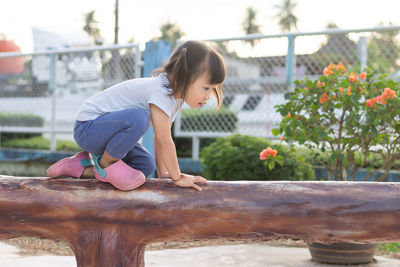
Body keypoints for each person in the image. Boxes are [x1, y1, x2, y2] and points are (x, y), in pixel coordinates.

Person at [46, 40, 226, 192]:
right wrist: (178, 178)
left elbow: (158, 137)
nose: (208, 95)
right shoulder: (161, 92)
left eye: (212, 89)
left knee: (145, 165)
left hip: (106, 136)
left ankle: (80, 167)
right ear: (185, 77)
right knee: (138, 118)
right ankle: (106, 165)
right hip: (87, 127)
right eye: (206, 88)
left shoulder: (175, 99)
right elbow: (164, 140)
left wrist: (164, 175)